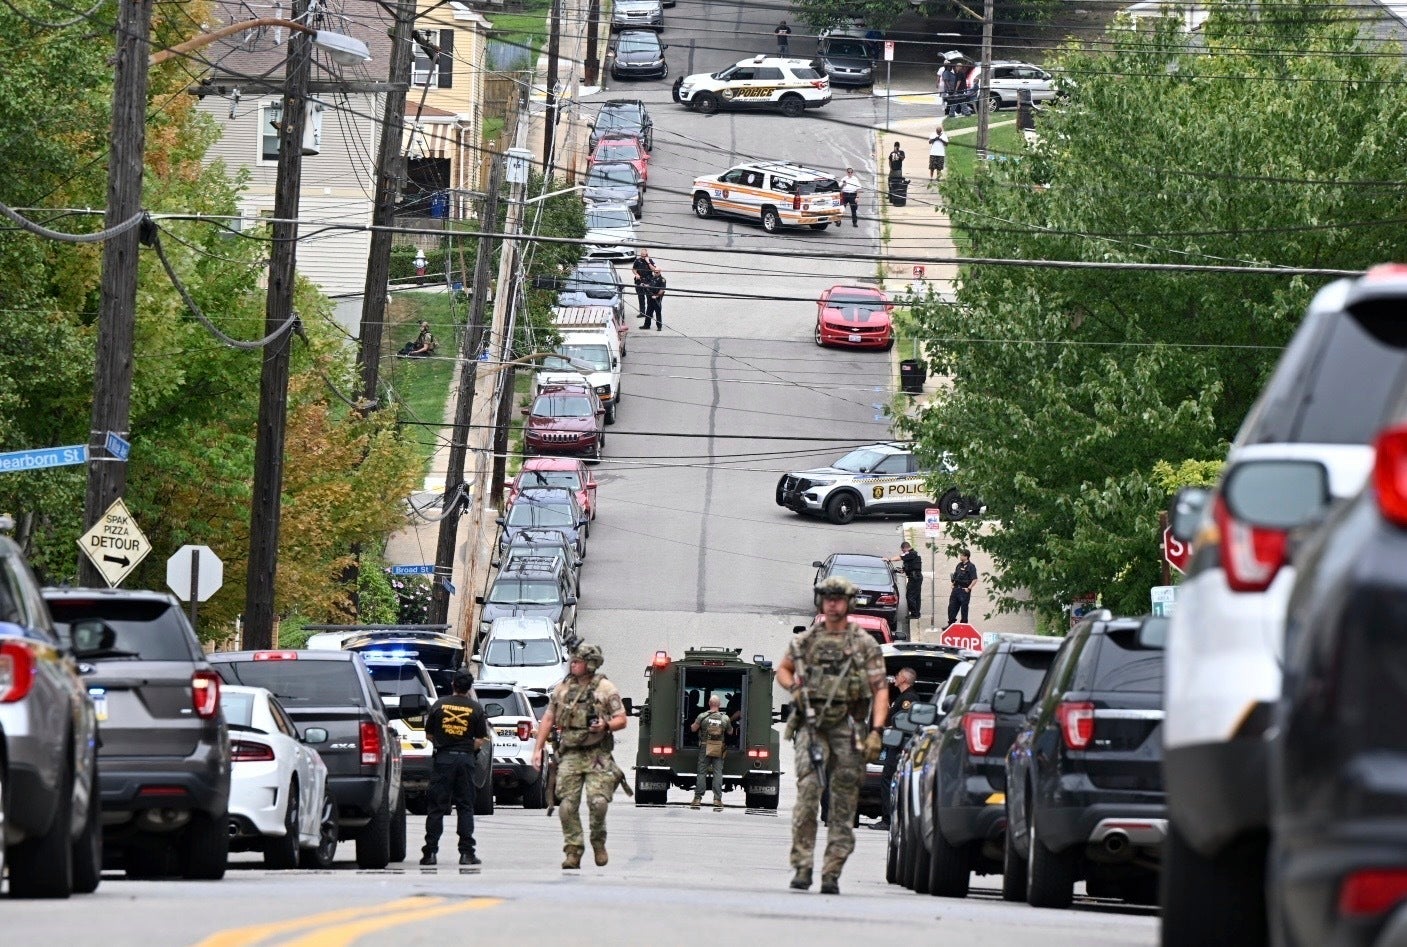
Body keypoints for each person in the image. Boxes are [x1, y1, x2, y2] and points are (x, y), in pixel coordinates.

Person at [776, 576, 889, 895]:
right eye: (827, 597)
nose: (832, 603)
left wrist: (876, 732)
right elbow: (783, 670)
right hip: (812, 725)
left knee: (843, 800)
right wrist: (795, 686)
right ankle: (803, 864)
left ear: (849, 602)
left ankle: (832, 871)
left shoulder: (864, 645)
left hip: (848, 726)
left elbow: (881, 690)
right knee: (808, 792)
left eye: (838, 598)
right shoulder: (807, 641)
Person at [532, 643, 628, 869]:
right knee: (566, 806)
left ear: (590, 664)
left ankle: (598, 841)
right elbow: (548, 718)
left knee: (598, 803)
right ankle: (573, 851)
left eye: (577, 661)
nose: (572, 664)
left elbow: (621, 719)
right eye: (572, 661)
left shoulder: (605, 688)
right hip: (571, 753)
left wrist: (605, 725)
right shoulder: (562, 689)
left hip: (597, 753)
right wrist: (538, 749)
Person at [421, 669, 491, 866]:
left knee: (436, 807)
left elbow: (429, 735)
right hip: (466, 760)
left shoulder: (439, 705)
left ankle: (430, 852)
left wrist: (444, 743)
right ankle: (466, 853)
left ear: (453, 684)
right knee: (465, 806)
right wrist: (468, 748)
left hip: (443, 760)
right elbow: (480, 739)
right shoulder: (476, 709)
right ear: (469, 687)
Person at [871, 668, 920, 829]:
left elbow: (904, 723)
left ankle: (888, 820)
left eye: (898, 675)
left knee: (888, 779)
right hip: (895, 744)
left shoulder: (909, 698)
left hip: (900, 746)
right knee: (888, 779)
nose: (895, 677)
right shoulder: (902, 697)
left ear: (904, 679)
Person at [690, 695, 732, 810]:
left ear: (709, 703)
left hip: (705, 747)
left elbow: (693, 729)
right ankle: (717, 800)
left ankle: (697, 798)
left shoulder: (702, 716)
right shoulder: (725, 718)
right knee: (718, 773)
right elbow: (730, 732)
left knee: (701, 772)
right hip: (718, 748)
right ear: (719, 705)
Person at [886, 541, 924, 622]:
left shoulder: (910, 553)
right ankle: (916, 613)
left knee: (910, 596)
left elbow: (900, 557)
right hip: (916, 577)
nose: (902, 552)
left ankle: (914, 613)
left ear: (905, 548)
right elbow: (909, 567)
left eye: (903, 550)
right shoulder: (913, 555)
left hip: (914, 578)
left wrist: (889, 560)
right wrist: (901, 570)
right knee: (916, 596)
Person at [948, 549, 978, 624]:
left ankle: (963, 625)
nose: (960, 556)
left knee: (964, 609)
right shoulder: (959, 565)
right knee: (952, 608)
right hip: (956, 589)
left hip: (964, 590)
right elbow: (955, 576)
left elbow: (974, 579)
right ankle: (951, 624)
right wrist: (952, 584)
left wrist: (969, 588)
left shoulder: (971, 566)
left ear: (966, 556)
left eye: (961, 555)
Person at [631, 250, 656, 318]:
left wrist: (648, 262)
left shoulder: (650, 260)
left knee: (649, 298)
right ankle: (642, 313)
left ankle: (649, 313)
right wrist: (636, 274)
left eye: (644, 254)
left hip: (648, 281)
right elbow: (633, 269)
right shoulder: (637, 260)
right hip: (639, 281)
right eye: (642, 254)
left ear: (646, 254)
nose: (642, 256)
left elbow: (654, 270)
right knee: (641, 297)